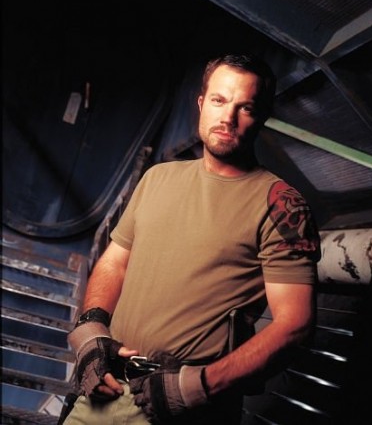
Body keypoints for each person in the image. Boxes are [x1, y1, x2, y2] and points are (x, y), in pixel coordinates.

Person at [60, 53, 321, 425]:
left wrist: (199, 387)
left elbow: (295, 324)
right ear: (201, 104)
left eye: (245, 107)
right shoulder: (158, 178)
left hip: (182, 408)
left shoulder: (280, 203)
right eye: (219, 100)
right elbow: (115, 262)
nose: (228, 118)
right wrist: (91, 329)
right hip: (105, 388)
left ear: (263, 116)